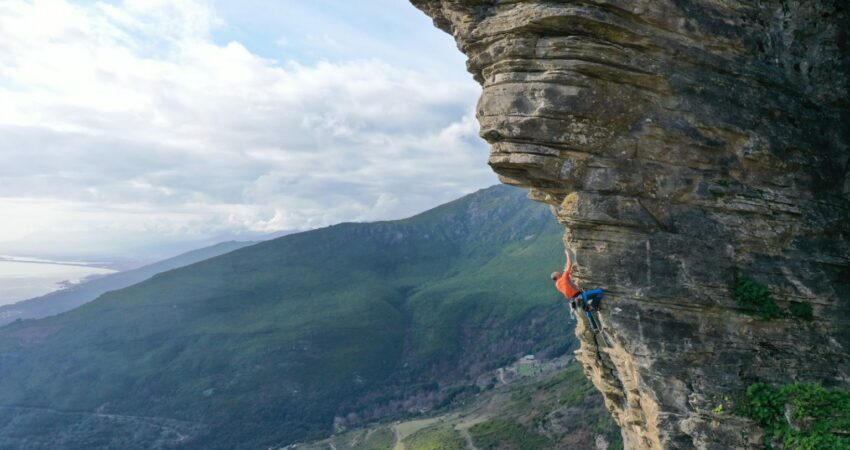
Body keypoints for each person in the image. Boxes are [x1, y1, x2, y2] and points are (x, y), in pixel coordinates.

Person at [551, 249, 604, 332]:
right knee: (599, 292)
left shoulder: (557, 285)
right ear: (557, 276)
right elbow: (569, 264)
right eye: (559, 273)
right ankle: (594, 305)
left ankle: (595, 328)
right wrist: (567, 254)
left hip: (575, 301)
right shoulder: (563, 278)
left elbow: (568, 286)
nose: (560, 273)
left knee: (588, 311)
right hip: (581, 297)